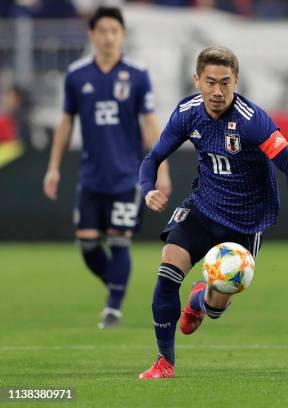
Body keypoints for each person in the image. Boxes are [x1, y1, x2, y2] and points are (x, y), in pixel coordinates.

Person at [137, 46, 288, 379]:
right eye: (210, 82)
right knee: (167, 275)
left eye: (225, 82)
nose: (217, 91)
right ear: (197, 80)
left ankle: (199, 301)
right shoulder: (188, 113)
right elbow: (152, 158)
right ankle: (164, 361)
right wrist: (148, 189)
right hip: (202, 207)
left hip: (246, 220)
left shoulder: (253, 122)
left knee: (214, 308)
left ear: (236, 80)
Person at [43, 7, 171, 329]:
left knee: (118, 240)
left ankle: (113, 307)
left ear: (123, 35)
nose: (109, 36)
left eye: (115, 30)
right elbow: (66, 121)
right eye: (103, 30)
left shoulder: (137, 74)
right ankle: (117, 284)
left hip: (128, 176)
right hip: (91, 176)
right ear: (92, 35)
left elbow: (151, 123)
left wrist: (162, 170)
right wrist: (53, 167)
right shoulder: (77, 75)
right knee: (87, 245)